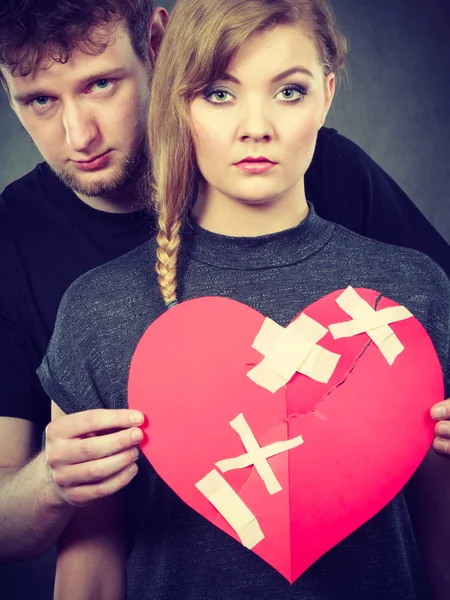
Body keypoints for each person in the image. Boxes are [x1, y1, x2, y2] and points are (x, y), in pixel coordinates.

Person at [0, 0, 449, 566]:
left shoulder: (326, 177)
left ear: (158, 49)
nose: (78, 133)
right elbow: (69, 545)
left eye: (102, 84)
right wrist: (52, 481)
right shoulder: (65, 282)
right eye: (39, 99)